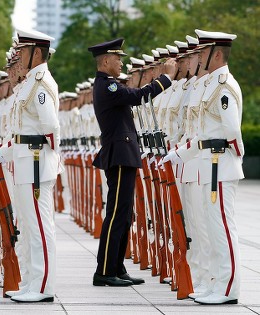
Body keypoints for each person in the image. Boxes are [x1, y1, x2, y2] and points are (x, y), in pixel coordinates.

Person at [87, 38, 177, 287]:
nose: (121, 63)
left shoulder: (109, 85)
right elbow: (138, 96)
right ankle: (104, 271)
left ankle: (116, 266)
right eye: (118, 59)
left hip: (123, 154)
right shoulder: (107, 86)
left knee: (124, 215)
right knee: (116, 214)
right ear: (105, 61)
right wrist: (166, 78)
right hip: (119, 155)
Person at [163, 30, 243, 305]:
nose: (197, 57)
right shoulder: (209, 85)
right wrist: (182, 152)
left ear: (217, 54)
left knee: (221, 228)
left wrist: (233, 153)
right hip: (208, 162)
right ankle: (215, 283)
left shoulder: (223, 86)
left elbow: (231, 130)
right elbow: (200, 132)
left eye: (203, 52)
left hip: (219, 164)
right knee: (209, 228)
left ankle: (228, 287)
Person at [0, 28, 62, 303]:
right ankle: (31, 280)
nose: (18, 55)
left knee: (40, 226)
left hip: (35, 164)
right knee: (29, 226)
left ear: (37, 53)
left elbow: (50, 128)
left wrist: (46, 161)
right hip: (25, 162)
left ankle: (43, 286)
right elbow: (23, 130)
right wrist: (5, 152)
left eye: (23, 50)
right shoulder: (30, 82)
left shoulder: (40, 82)